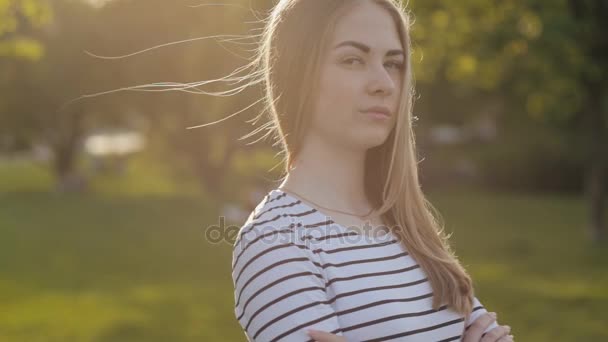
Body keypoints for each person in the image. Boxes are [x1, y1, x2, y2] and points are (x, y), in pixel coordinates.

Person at [231, 0, 514, 341]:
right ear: (295, 73)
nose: (385, 84)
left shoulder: (411, 227)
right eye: (353, 60)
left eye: (393, 63)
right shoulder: (275, 242)